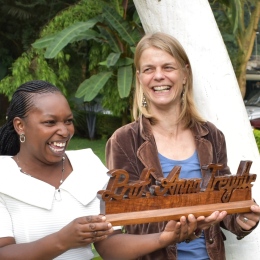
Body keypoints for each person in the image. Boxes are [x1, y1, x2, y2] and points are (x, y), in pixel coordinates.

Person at [0, 80, 203, 260]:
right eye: (50, 122)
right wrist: (62, 240)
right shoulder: (3, 176)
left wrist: (163, 238)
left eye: (68, 121)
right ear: (20, 126)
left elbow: (109, 245)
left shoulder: (87, 165)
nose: (64, 131)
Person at [106, 32, 260, 260]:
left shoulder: (212, 135)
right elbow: (122, 218)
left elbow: (223, 199)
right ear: (139, 77)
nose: (159, 76)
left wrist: (241, 219)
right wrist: (175, 227)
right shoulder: (124, 140)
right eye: (149, 69)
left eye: (168, 67)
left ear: (185, 73)